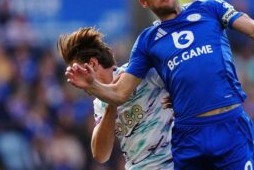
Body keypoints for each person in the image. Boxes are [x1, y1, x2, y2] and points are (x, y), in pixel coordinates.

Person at [65, 0, 254, 170]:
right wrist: (95, 86)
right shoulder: (148, 42)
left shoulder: (208, 8)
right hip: (185, 140)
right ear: (143, 1)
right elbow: (116, 102)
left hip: (228, 125)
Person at [58, 27, 174, 170]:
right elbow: (101, 155)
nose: (78, 83)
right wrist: (111, 104)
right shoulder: (100, 103)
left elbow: (184, 82)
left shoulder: (137, 73)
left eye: (79, 72)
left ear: (93, 64)